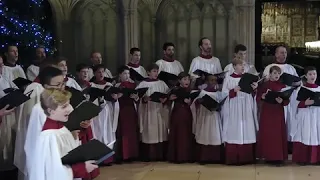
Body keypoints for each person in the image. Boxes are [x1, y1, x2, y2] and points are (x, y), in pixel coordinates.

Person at [28, 88, 98, 180]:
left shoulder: (61, 128)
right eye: (64, 106)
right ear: (50, 111)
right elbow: (52, 171)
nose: (70, 109)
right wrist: (82, 168)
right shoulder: (49, 136)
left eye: (69, 104)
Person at [222, 59, 258, 165]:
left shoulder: (248, 78)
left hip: (246, 106)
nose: (243, 66)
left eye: (244, 65)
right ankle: (233, 158)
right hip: (234, 107)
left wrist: (255, 89)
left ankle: (246, 158)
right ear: (234, 66)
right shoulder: (229, 79)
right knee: (234, 129)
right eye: (240, 65)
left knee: (247, 128)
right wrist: (233, 91)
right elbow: (223, 94)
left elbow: (253, 94)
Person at [262, 46, 300, 146]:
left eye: (285, 53)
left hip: (288, 99)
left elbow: (297, 82)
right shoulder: (269, 67)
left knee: (289, 120)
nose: (284, 55)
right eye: (282, 52)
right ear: (276, 54)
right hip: (274, 101)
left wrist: (295, 84)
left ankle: (288, 143)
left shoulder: (291, 68)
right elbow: (265, 82)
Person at [135, 64, 170, 161]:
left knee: (160, 132)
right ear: (148, 72)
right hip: (148, 112)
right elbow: (137, 98)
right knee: (149, 133)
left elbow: (168, 95)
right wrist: (144, 100)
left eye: (157, 71)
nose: (156, 73)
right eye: (154, 71)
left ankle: (160, 155)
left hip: (159, 111)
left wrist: (165, 100)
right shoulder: (142, 84)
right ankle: (149, 156)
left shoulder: (162, 83)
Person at [257, 65, 289, 166]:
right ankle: (268, 156)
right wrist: (262, 96)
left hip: (278, 112)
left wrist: (282, 101)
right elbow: (258, 97)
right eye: (275, 73)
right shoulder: (264, 85)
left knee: (278, 134)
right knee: (268, 134)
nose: (277, 75)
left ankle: (278, 157)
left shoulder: (282, 86)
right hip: (267, 111)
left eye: (278, 73)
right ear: (270, 74)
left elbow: (287, 100)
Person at [89, 64, 121, 165]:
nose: (101, 74)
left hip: (106, 112)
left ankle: (107, 159)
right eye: (99, 72)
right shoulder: (91, 85)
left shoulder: (109, 85)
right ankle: (97, 159)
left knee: (107, 134)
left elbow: (114, 100)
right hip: (95, 113)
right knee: (97, 134)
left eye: (103, 71)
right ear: (94, 73)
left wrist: (115, 98)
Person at [191, 74, 224, 164]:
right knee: (204, 135)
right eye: (211, 80)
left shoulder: (218, 93)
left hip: (215, 117)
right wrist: (199, 102)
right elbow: (195, 104)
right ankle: (203, 158)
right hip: (204, 117)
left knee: (215, 135)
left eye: (215, 80)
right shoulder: (203, 92)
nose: (214, 82)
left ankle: (216, 158)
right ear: (207, 82)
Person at [292, 66, 320, 165]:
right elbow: (294, 104)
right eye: (310, 74)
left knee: (316, 134)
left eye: (314, 74)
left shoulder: (319, 89)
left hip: (317, 116)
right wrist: (305, 103)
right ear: (306, 76)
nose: (313, 76)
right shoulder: (301, 89)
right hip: (305, 116)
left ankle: (316, 159)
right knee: (304, 134)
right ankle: (303, 159)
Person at [167, 72, 194, 163]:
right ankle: (178, 156)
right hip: (178, 113)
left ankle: (186, 156)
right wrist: (171, 98)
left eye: (188, 79)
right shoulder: (176, 90)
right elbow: (169, 99)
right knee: (179, 134)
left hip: (187, 113)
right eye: (184, 79)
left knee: (186, 133)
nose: (187, 81)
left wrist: (190, 101)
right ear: (179, 81)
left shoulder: (190, 91)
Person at [114, 66, 140, 162]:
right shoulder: (117, 86)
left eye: (128, 74)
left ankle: (132, 154)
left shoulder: (133, 85)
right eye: (125, 73)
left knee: (131, 132)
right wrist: (117, 96)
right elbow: (113, 98)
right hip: (121, 110)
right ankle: (122, 155)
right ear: (120, 75)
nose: (127, 75)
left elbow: (137, 98)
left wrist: (136, 97)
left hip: (130, 109)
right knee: (122, 132)